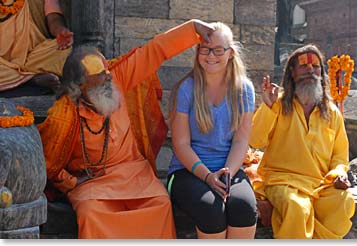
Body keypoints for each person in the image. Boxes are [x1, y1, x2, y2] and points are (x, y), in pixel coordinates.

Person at [37, 19, 214, 238]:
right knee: (91, 212)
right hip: (94, 183)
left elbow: (154, 51)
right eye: (100, 76)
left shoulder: (117, 76)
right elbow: (47, 163)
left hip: (134, 173)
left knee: (159, 204)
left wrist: (192, 28)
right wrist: (72, 182)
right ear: (80, 86)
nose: (108, 76)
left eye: (107, 70)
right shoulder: (63, 114)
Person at [249, 44, 355, 239]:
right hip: (282, 181)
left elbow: (340, 156)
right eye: (304, 66)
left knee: (343, 202)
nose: (310, 70)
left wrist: (339, 175)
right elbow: (255, 140)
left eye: (315, 67)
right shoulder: (278, 103)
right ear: (292, 72)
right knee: (298, 207)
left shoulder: (332, 113)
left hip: (320, 183)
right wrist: (268, 107)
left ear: (321, 72)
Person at [167, 22, 258, 239]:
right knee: (211, 210)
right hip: (187, 171)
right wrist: (208, 177)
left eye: (218, 50)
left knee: (243, 207)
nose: (211, 55)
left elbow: (240, 141)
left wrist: (226, 173)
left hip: (229, 168)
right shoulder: (186, 89)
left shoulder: (244, 89)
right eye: (205, 49)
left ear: (230, 53)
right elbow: (181, 144)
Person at [0, 0, 73, 97]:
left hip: (33, 56)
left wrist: (59, 30)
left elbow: (53, 18)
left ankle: (16, 80)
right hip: (2, 62)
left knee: (62, 50)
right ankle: (31, 80)